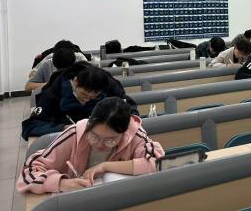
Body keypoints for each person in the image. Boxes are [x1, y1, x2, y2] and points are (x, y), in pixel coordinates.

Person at [17, 97, 164, 194]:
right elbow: (30, 171)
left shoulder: (134, 134)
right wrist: (63, 184)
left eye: (110, 140)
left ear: (124, 133)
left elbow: (157, 163)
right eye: (94, 137)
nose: (100, 145)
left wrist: (105, 166)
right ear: (89, 125)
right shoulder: (75, 134)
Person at [21, 62, 136, 140]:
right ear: (75, 81)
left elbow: (130, 110)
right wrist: (63, 128)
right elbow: (31, 126)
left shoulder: (109, 86)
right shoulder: (54, 93)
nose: (86, 100)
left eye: (93, 97)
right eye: (84, 94)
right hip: (68, 143)